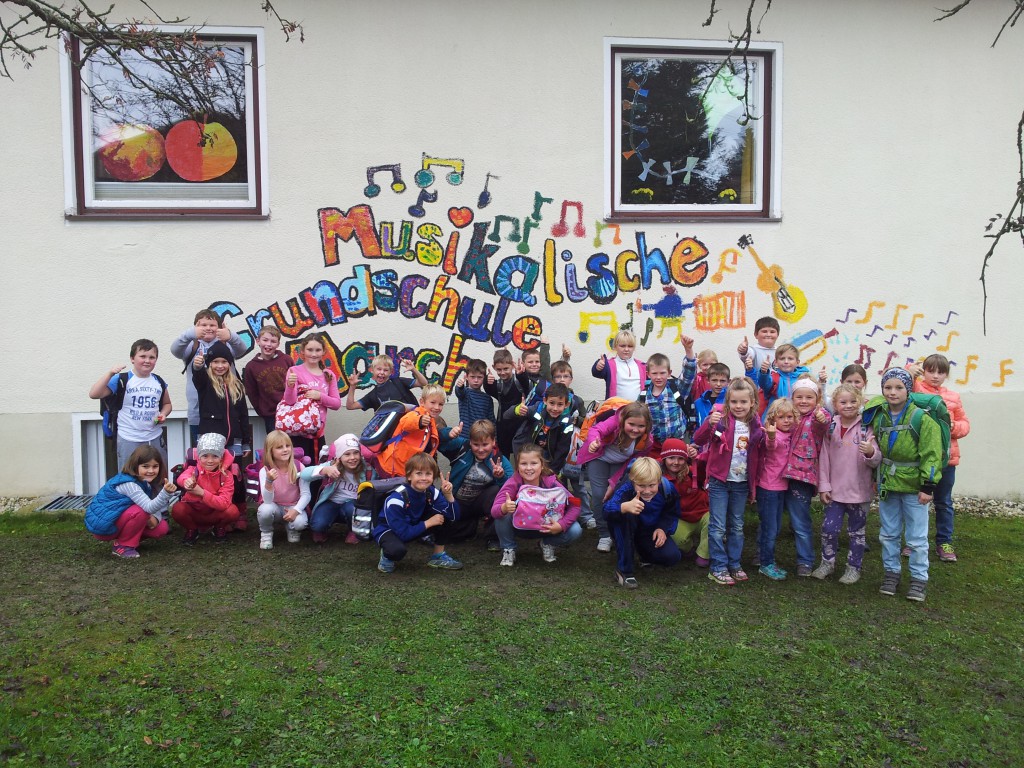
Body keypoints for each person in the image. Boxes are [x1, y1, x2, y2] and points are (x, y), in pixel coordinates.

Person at [866, 368, 943, 602]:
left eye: (899, 387)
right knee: (888, 534)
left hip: (914, 487)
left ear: (908, 390)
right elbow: (877, 449)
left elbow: (932, 454)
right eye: (887, 387)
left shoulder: (922, 419)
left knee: (917, 537)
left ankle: (919, 579)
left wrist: (928, 486)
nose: (892, 392)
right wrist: (874, 479)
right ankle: (891, 573)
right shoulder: (879, 417)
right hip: (889, 483)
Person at [693, 377, 765, 586]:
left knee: (737, 525)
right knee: (717, 526)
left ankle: (734, 564)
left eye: (743, 402)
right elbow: (699, 439)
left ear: (752, 402)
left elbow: (760, 453)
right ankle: (718, 566)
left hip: (741, 482)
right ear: (728, 403)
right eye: (734, 402)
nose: (738, 406)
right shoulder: (721, 420)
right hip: (719, 481)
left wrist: (768, 437)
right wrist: (709, 423)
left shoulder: (755, 424)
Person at [813, 384, 880, 584]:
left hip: (859, 492)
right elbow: (823, 458)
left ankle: (853, 568)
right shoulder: (830, 426)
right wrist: (824, 485)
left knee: (857, 533)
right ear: (835, 404)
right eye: (843, 402)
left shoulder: (866, 427)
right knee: (829, 529)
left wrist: (870, 452)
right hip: (835, 491)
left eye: (853, 401)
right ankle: (827, 563)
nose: (848, 405)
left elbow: (876, 460)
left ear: (860, 402)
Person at [907, 354, 970, 562]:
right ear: (923, 371)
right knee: (917, 501)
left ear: (946, 375)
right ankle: (913, 541)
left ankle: (944, 542)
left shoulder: (953, 397)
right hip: (921, 458)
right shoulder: (916, 389)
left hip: (946, 460)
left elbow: (965, 424)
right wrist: (910, 369)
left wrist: (954, 427)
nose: (935, 376)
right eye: (930, 371)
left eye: (940, 372)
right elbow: (901, 383)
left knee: (943, 502)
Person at [576, 402, 653, 553]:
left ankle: (615, 530)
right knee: (599, 495)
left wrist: (613, 484)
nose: (636, 429)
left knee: (616, 496)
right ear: (624, 420)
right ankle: (604, 534)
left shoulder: (647, 441)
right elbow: (596, 430)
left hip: (620, 464)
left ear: (647, 426)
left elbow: (631, 462)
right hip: (599, 457)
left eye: (641, 426)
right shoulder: (615, 421)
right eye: (631, 424)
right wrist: (593, 442)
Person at [491, 443, 582, 567]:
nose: (529, 468)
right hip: (520, 527)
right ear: (517, 466)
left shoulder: (551, 482)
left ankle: (547, 543)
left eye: (533, 463)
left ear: (542, 464)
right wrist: (504, 508)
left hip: (547, 529)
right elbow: (494, 510)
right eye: (524, 464)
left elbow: (575, 505)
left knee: (575, 530)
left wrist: (561, 525)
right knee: (503, 515)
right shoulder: (513, 482)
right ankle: (508, 549)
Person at [371, 452, 462, 573]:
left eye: (428, 474)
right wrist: (428, 523)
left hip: (413, 524)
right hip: (389, 530)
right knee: (397, 551)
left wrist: (449, 495)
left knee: (444, 518)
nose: (424, 478)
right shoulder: (396, 499)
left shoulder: (431, 491)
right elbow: (403, 534)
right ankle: (386, 556)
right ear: (409, 476)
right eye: (419, 473)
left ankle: (438, 556)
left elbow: (454, 517)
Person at [88, 338, 172, 469]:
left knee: (158, 476)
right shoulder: (122, 379)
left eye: (152, 357)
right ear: (132, 358)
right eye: (142, 356)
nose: (147, 360)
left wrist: (163, 414)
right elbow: (94, 394)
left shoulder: (158, 381)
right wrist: (110, 374)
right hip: (129, 437)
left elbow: (167, 404)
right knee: (129, 477)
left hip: (154, 436)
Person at [171, 309, 248, 446]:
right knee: (203, 454)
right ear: (195, 327)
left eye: (212, 325)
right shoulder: (191, 346)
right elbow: (175, 350)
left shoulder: (226, 344)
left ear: (219, 327)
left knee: (229, 454)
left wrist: (230, 335)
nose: (208, 328)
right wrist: (190, 334)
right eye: (203, 325)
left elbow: (242, 349)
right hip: (198, 410)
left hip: (227, 411)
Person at [603, 457, 682, 588]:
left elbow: (672, 512)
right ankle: (624, 570)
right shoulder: (626, 489)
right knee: (626, 518)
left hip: (649, 531)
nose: (646, 491)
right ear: (633, 481)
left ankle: (643, 554)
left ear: (658, 481)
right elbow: (606, 510)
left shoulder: (667, 489)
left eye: (652, 485)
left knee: (672, 557)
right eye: (641, 486)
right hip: (626, 529)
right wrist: (624, 507)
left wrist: (662, 528)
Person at [85, 445, 175, 559]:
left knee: (161, 528)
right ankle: (122, 546)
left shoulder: (143, 481)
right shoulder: (129, 484)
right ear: (135, 465)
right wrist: (165, 493)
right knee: (141, 511)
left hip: (115, 519)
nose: (151, 471)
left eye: (155, 466)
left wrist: (155, 518)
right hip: (104, 526)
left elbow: (150, 504)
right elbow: (148, 507)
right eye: (145, 466)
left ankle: (130, 539)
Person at [781, 377, 831, 577]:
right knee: (772, 518)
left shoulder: (817, 417)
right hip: (779, 473)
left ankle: (805, 560)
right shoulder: (788, 415)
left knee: (800, 521)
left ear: (816, 399)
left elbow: (824, 425)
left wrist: (822, 417)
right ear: (792, 398)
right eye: (799, 397)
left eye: (808, 397)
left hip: (802, 476)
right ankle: (763, 555)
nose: (803, 401)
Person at [439, 420, 513, 544]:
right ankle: (469, 525)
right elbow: (437, 441)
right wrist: (448, 433)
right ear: (470, 441)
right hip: (457, 502)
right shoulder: (462, 446)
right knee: (450, 535)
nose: (480, 449)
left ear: (493, 442)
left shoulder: (499, 459)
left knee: (498, 492)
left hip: (479, 503)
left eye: (485, 444)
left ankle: (492, 537)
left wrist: (500, 477)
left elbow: (512, 488)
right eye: (476, 444)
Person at [171, 433, 242, 545]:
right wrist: (187, 482)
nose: (210, 460)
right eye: (205, 456)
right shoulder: (193, 470)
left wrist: (202, 493)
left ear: (221, 457)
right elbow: (182, 478)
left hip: (215, 513)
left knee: (232, 511)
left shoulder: (227, 475)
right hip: (194, 512)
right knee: (178, 509)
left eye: (215, 456)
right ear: (199, 457)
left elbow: (224, 503)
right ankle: (192, 529)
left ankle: (219, 528)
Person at [280, 333, 341, 459]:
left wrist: (320, 396)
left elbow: (336, 404)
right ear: (302, 351)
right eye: (310, 350)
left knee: (317, 473)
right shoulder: (294, 371)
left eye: (318, 350)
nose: (314, 354)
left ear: (324, 351)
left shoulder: (328, 375)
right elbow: (290, 401)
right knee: (299, 473)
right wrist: (290, 386)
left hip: (318, 435)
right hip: (297, 433)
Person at [378, 384, 458, 479]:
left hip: (408, 470)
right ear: (422, 402)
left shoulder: (431, 420)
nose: (437, 407)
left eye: (440, 404)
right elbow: (405, 422)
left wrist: (450, 433)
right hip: (395, 469)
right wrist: (419, 421)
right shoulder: (415, 413)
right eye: (433, 402)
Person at [755, 397, 796, 580]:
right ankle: (766, 564)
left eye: (789, 417)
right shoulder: (774, 435)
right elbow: (771, 446)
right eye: (781, 417)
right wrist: (771, 435)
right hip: (769, 488)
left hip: (781, 487)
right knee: (770, 528)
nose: (786, 421)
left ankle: (761, 556)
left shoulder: (791, 434)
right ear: (773, 420)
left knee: (773, 526)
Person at [305, 433, 367, 544]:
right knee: (317, 525)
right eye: (347, 454)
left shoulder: (366, 468)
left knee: (351, 508)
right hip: (331, 503)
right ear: (339, 457)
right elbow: (304, 474)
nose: (352, 458)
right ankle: (323, 528)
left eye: (356, 453)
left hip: (352, 505)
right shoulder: (332, 465)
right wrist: (324, 470)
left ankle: (354, 530)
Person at [639, 338, 697, 451]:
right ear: (648, 374)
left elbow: (688, 375)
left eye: (662, 373)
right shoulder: (643, 396)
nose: (659, 377)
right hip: (653, 446)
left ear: (669, 373)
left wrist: (688, 349)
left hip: (676, 444)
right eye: (654, 373)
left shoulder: (677, 389)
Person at [256, 430, 311, 549]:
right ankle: (266, 533)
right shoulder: (265, 471)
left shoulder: (299, 466)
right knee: (265, 510)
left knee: (300, 524)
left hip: (292, 506)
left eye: (288, 446)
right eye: (280, 447)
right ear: (270, 451)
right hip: (274, 506)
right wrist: (269, 481)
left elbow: (306, 494)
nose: (285, 449)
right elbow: (267, 500)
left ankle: (291, 528)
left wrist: (296, 510)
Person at [660, 438, 709, 568]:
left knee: (714, 525)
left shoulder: (692, 471)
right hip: (680, 518)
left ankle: (704, 554)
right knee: (677, 541)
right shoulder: (660, 478)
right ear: (664, 459)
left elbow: (706, 471)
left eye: (680, 458)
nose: (676, 462)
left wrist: (697, 457)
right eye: (671, 458)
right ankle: (689, 548)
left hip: (702, 513)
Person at [507, 383, 575, 475]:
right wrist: (517, 410)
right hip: (528, 454)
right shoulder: (537, 409)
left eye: (560, 404)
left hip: (549, 458)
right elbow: (506, 415)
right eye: (551, 403)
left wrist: (553, 471)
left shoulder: (566, 423)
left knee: (547, 483)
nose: (555, 408)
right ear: (545, 401)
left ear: (566, 404)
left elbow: (562, 450)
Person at [243, 325, 292, 437]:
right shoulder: (251, 366)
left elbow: (296, 383)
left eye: (273, 341)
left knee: (293, 446)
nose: (269, 344)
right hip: (270, 415)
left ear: (278, 344)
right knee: (276, 447)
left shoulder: (286, 360)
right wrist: (262, 411)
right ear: (258, 341)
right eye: (265, 340)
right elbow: (252, 393)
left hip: (290, 412)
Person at [747, 342, 811, 417]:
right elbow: (764, 384)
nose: (786, 362)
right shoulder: (774, 378)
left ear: (797, 362)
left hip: (797, 418)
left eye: (790, 359)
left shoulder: (803, 379)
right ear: (776, 362)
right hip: (776, 418)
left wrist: (822, 381)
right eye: (782, 358)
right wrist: (764, 372)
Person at [345, 354, 426, 413]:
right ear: (372, 370)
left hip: (411, 427)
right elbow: (350, 406)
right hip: (391, 434)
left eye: (385, 370)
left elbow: (423, 383)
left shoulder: (398, 382)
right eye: (379, 369)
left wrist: (413, 369)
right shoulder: (373, 395)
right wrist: (352, 386)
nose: (382, 372)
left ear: (390, 372)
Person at [591, 329, 646, 400]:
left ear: (634, 348)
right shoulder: (609, 364)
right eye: (622, 346)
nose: (626, 349)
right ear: (615, 347)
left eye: (630, 346)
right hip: (615, 409)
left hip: (638, 409)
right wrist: (598, 366)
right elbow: (596, 373)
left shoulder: (642, 366)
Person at [454, 358, 496, 426]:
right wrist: (460, 386)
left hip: (482, 436)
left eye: (479, 377)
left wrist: (494, 436)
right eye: (472, 377)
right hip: (464, 435)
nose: (476, 380)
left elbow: (491, 421)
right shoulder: (465, 393)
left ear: (484, 377)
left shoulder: (488, 399)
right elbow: (459, 392)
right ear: (467, 377)